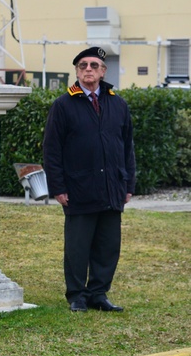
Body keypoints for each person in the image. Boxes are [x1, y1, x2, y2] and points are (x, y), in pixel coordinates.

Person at [43, 46, 136, 313]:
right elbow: (52, 150)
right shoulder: (63, 105)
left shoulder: (117, 104)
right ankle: (77, 296)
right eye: (83, 65)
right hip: (78, 188)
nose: (88, 70)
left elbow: (127, 146)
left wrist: (128, 185)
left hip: (112, 188)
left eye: (94, 65)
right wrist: (58, 187)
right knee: (77, 247)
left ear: (103, 71)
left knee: (108, 246)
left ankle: (98, 293)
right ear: (76, 71)